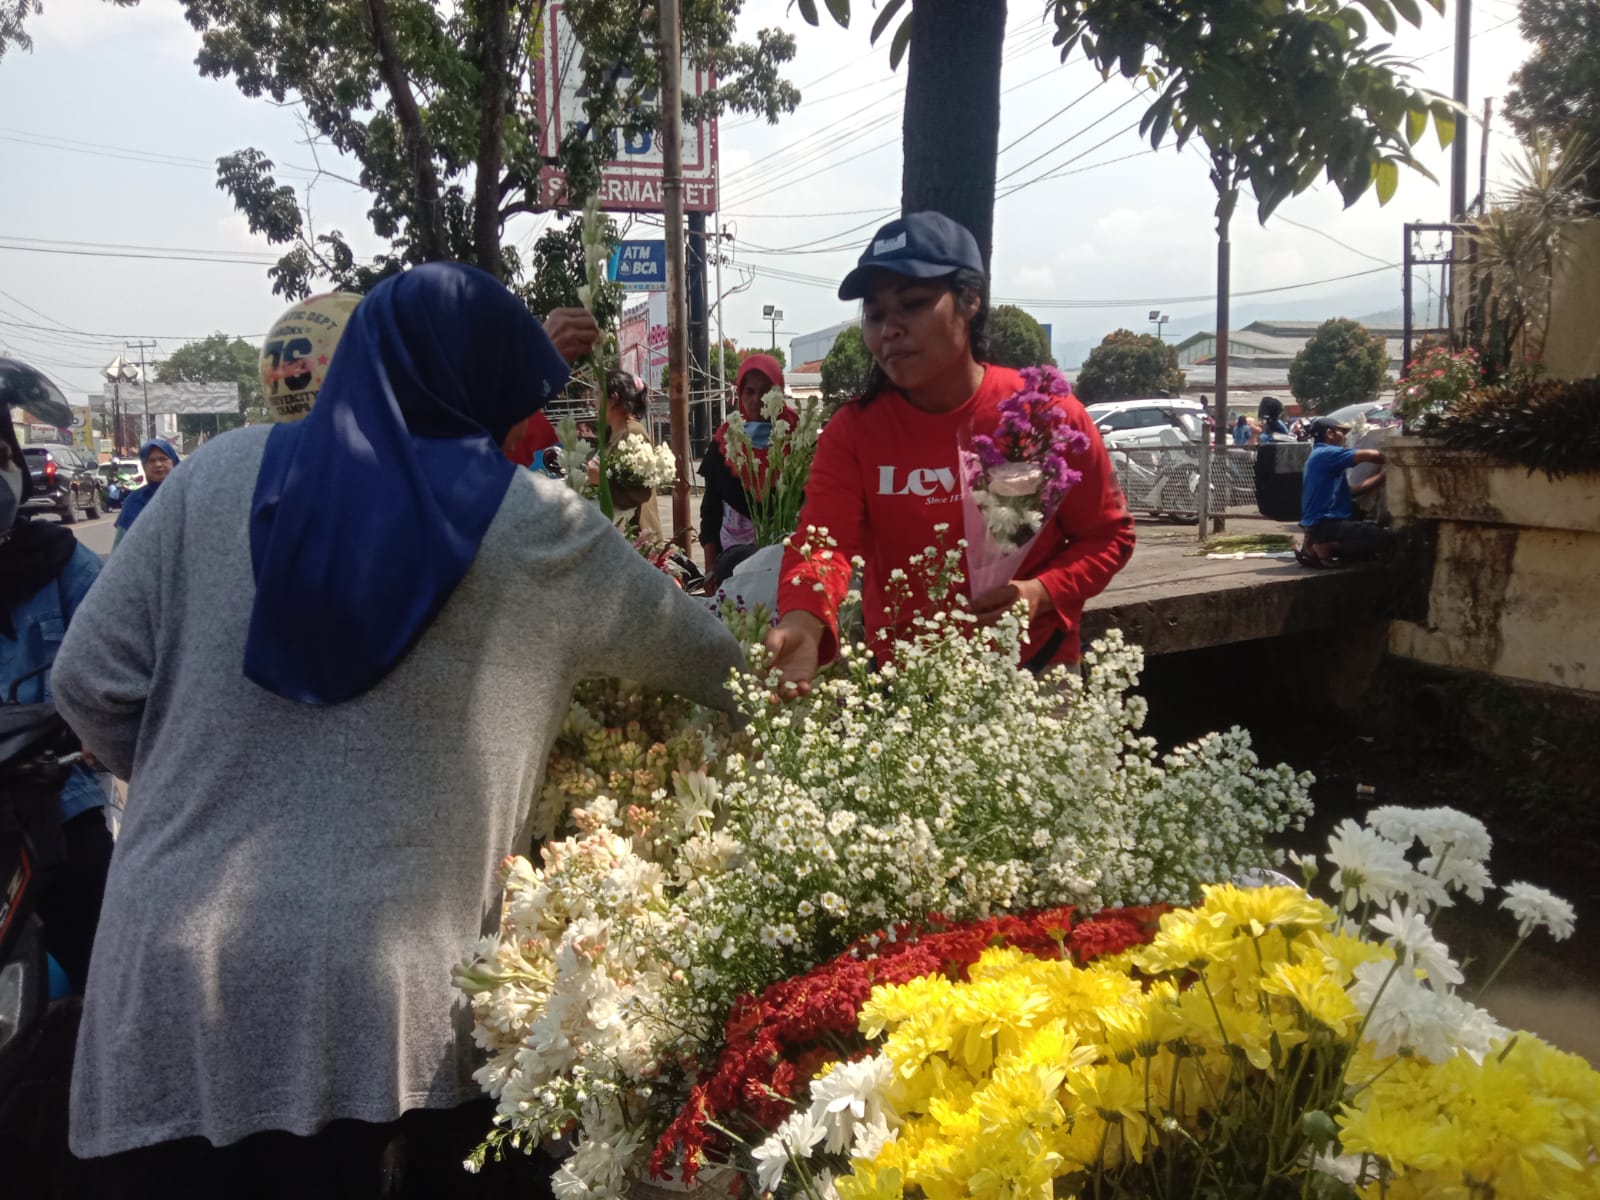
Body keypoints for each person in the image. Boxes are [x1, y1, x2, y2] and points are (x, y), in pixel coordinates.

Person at [50, 263, 744, 1196]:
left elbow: (87, 680)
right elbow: (722, 668)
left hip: (173, 977)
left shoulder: (211, 476)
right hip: (388, 1005)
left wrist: (194, 780)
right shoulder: (541, 532)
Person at [763, 212, 1135, 695]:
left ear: (970, 300)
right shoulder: (854, 432)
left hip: (1035, 678)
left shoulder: (1042, 417)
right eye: (875, 315)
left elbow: (1109, 536)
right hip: (905, 692)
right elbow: (823, 544)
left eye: (912, 304)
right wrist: (802, 622)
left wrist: (1041, 594)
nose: (889, 330)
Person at [0, 403, 115, 995]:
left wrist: (103, 730)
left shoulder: (65, 563)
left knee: (109, 974)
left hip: (62, 800)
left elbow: (119, 661)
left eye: (0, 457)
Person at [699, 353, 793, 575]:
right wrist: (711, 569)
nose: (756, 400)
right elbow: (710, 511)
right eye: (749, 391)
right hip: (732, 568)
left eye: (766, 392)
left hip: (786, 568)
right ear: (740, 394)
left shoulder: (796, 440)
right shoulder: (724, 444)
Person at [1296, 416, 1392, 566]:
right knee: (1386, 537)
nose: (1346, 439)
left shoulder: (1316, 456)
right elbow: (1370, 455)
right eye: (1342, 433)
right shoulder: (1327, 453)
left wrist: (1382, 476)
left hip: (1316, 526)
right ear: (1330, 434)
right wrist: (1397, 460)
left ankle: (1314, 547)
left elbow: (1354, 491)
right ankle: (1326, 546)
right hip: (1326, 525)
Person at [587, 369, 663, 539]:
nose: (594, 402)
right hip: (617, 532)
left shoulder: (633, 433)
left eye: (598, 394)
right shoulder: (610, 433)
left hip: (637, 535)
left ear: (613, 399)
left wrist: (602, 481)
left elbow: (642, 492)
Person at [111, 437, 178, 550]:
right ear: (144, 466)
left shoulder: (188, 495)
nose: (158, 464)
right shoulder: (134, 501)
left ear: (174, 461)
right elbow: (120, 548)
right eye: (151, 460)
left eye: (163, 459)